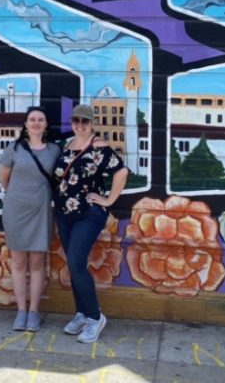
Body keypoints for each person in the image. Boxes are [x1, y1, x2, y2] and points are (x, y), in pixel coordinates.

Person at [52, 104, 128, 343]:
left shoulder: (98, 147)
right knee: (74, 264)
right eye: (76, 121)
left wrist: (109, 199)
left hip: (88, 214)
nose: (80, 125)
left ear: (92, 123)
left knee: (75, 262)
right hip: (65, 214)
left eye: (85, 121)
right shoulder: (68, 146)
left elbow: (122, 172)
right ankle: (82, 313)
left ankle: (95, 317)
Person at [0, 106, 62, 332]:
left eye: (40, 119)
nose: (36, 123)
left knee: (36, 264)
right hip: (16, 211)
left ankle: (33, 311)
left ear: (46, 125)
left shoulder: (54, 150)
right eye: (32, 119)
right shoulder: (13, 148)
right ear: (25, 124)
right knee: (18, 263)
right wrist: (19, 197)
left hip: (41, 211)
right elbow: (4, 179)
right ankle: (21, 311)